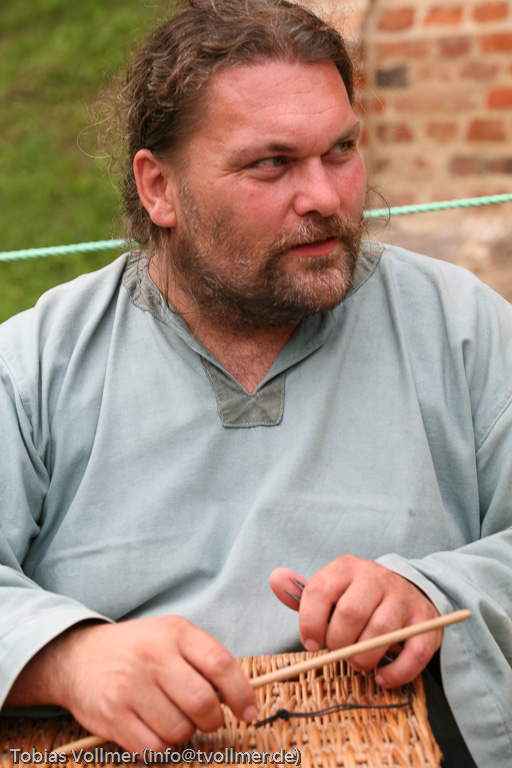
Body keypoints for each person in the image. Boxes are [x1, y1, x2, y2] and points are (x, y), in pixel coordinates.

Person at [1, 0, 511, 765]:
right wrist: (63, 657)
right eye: (271, 163)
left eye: (341, 150)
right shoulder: (37, 363)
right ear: (159, 188)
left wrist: (435, 591)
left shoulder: (459, 325)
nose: (326, 198)